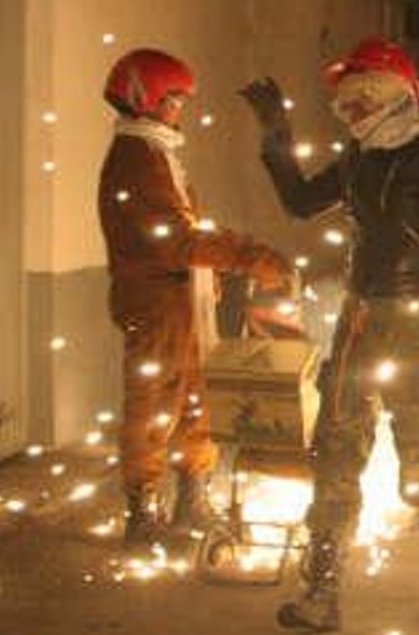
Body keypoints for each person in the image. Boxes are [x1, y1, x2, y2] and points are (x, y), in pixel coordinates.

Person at [240, 38, 419, 632]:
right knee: (336, 455)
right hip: (361, 321)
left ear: (399, 90)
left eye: (361, 89)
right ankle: (321, 594)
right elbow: (298, 203)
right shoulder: (358, 159)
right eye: (345, 96)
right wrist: (277, 131)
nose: (349, 104)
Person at [98, 49, 293, 550]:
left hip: (182, 301)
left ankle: (193, 498)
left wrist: (218, 273)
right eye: (173, 99)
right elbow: (174, 240)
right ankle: (143, 511)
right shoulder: (136, 159)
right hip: (159, 306)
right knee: (153, 407)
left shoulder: (157, 151)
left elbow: (186, 231)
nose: (179, 109)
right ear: (144, 97)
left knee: (195, 402)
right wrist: (250, 256)